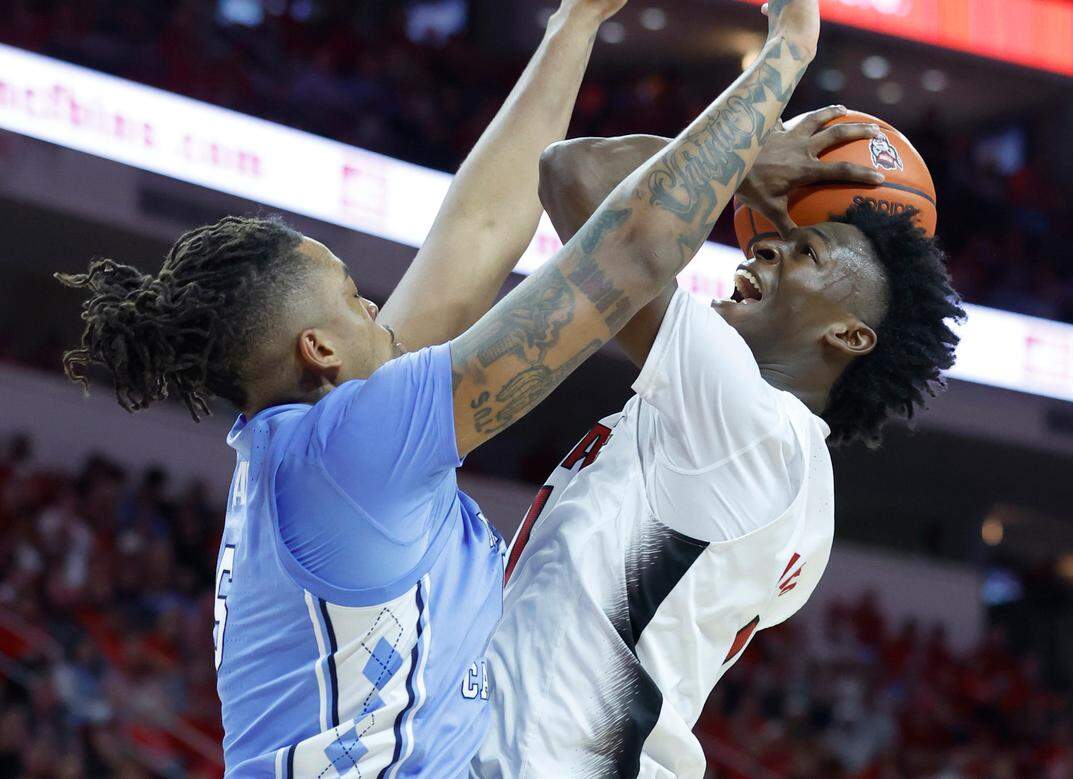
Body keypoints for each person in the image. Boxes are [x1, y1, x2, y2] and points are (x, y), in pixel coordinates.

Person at [54, 0, 822, 774]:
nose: (374, 306)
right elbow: (623, 257)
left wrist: (575, 23)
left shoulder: (317, 438)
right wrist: (783, 61)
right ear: (318, 348)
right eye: (353, 294)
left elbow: (478, 232)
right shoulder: (350, 447)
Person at [472, 102, 965, 776]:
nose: (763, 244)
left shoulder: (752, 425)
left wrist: (743, 162)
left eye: (807, 250)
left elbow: (574, 171)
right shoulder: (780, 470)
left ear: (849, 335)